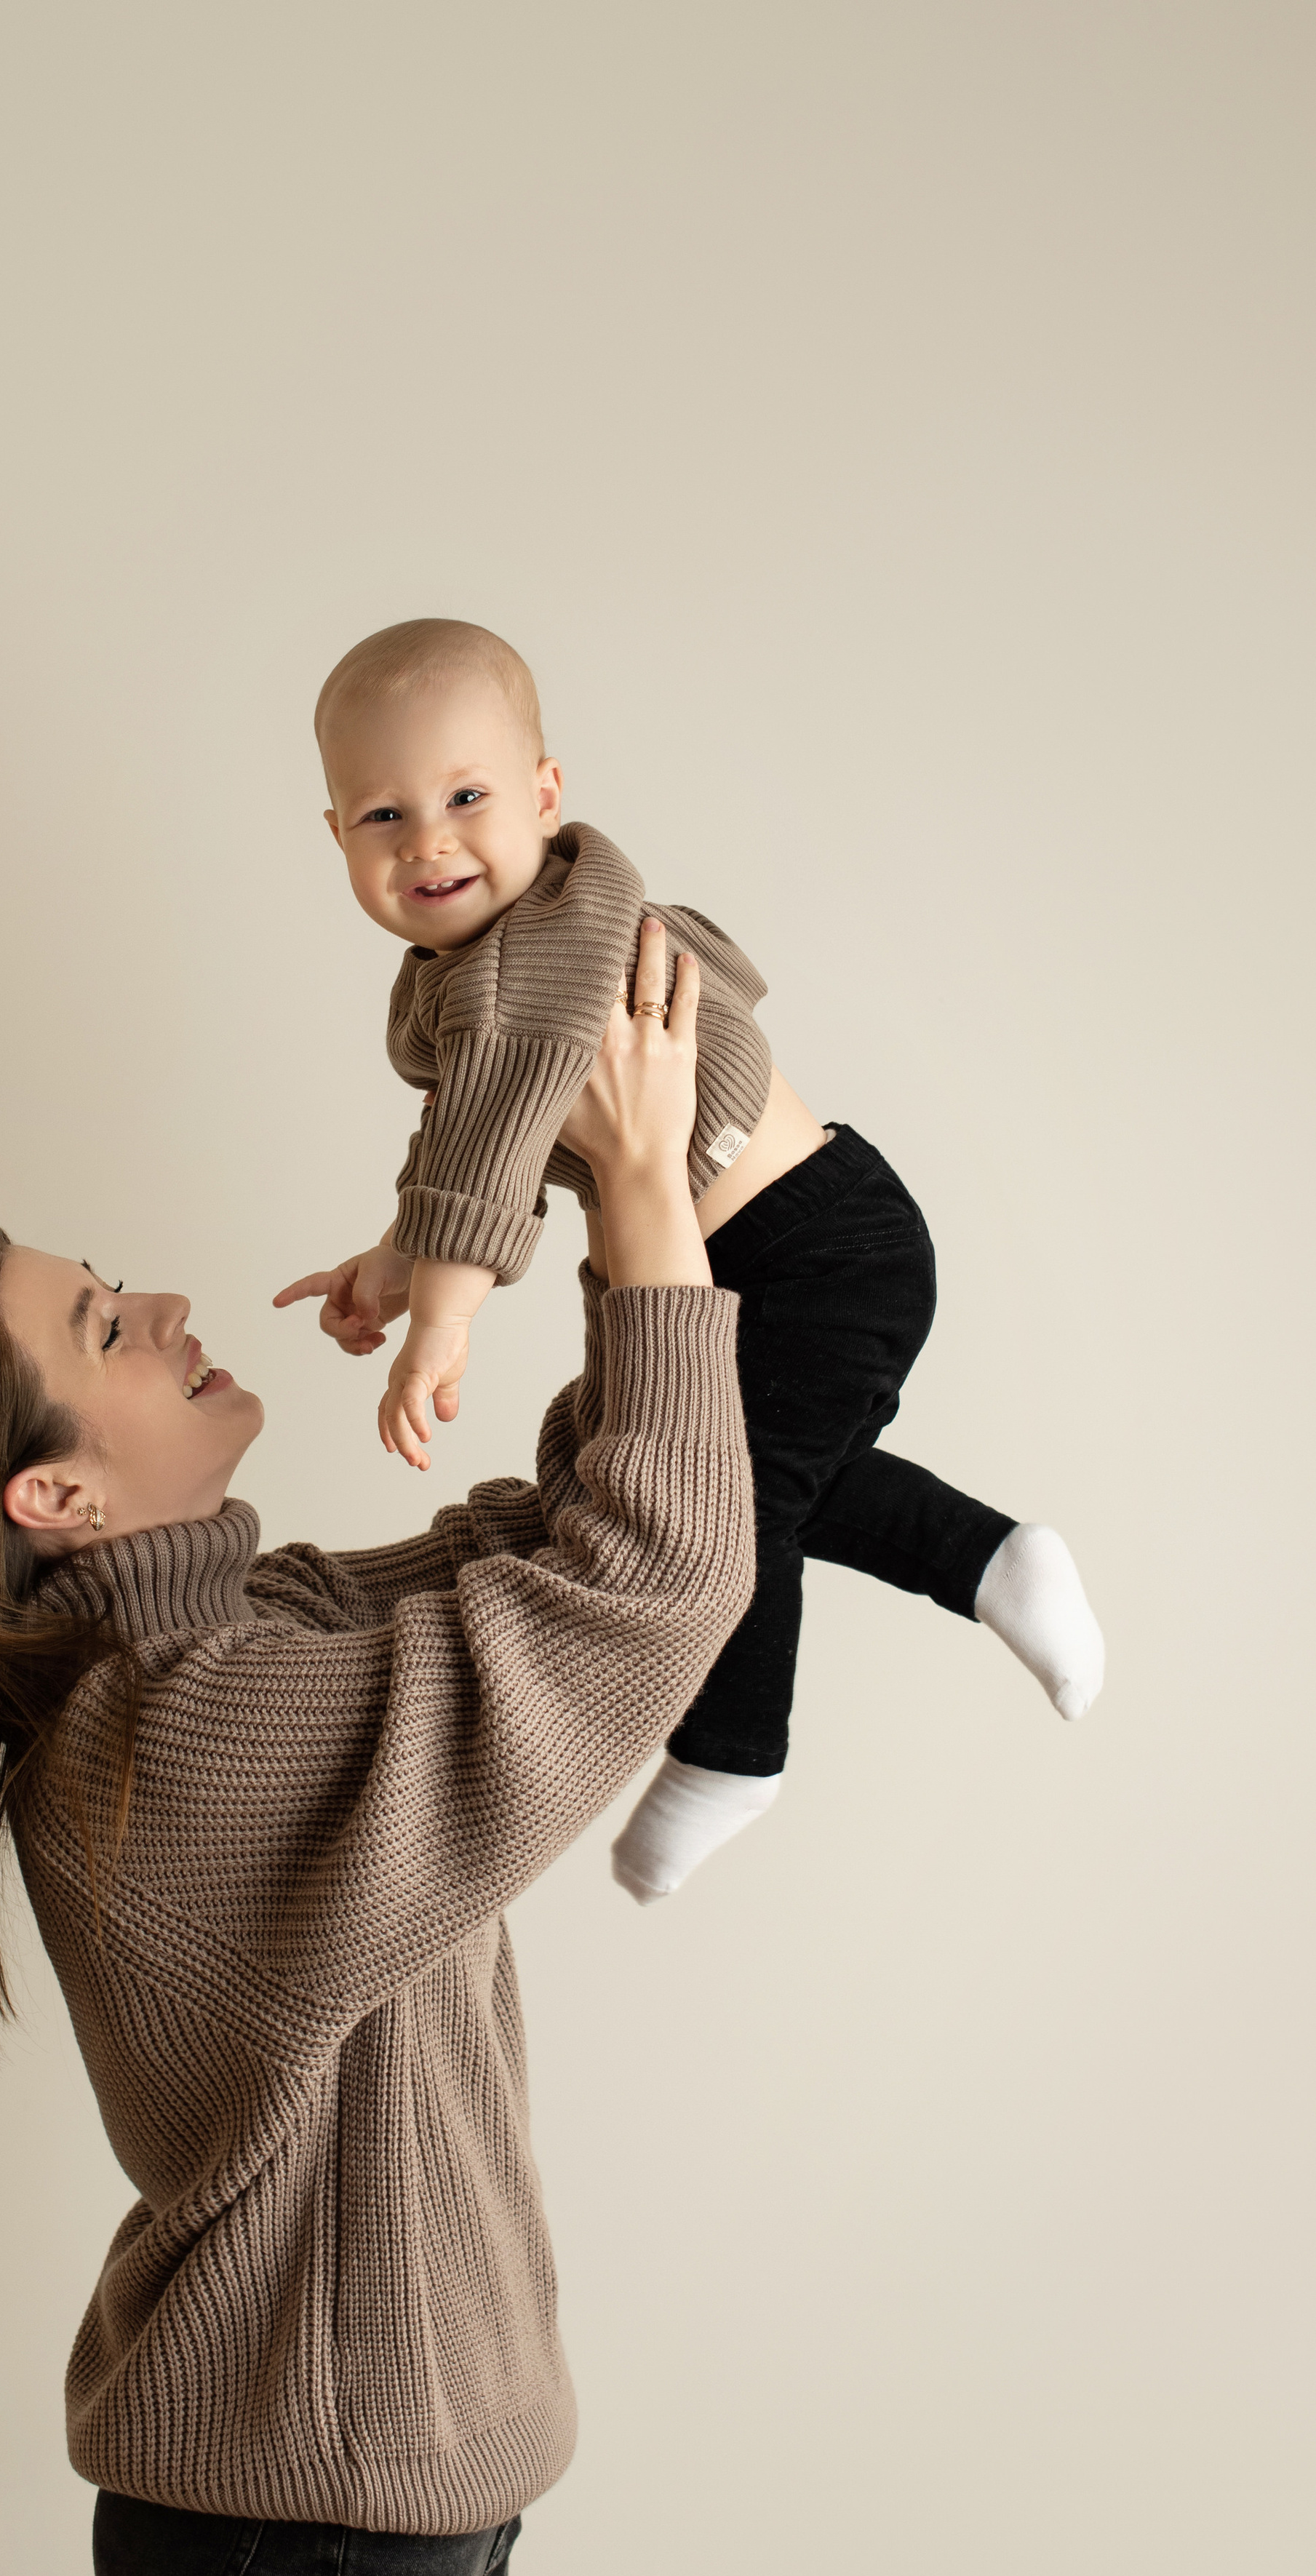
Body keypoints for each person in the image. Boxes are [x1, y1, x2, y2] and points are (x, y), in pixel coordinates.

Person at [0, 925, 752, 2576]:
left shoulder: (243, 1644)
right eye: (102, 1329)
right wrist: (632, 1201)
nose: (162, 1313)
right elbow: (645, 1587)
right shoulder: (185, 1742)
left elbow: (557, 1531)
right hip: (316, 2544)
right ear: (53, 1497)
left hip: (375, 2514)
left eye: (120, 1288)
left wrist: (631, 1189)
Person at [279, 617, 1105, 1900]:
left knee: (728, 1507)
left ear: (547, 797)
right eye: (382, 816)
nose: (428, 841)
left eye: (465, 797)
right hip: (749, 1256)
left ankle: (734, 1752)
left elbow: (495, 1140)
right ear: (334, 836)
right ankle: (992, 1559)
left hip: (815, 1249)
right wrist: (396, 1262)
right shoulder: (487, 960)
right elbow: (462, 1134)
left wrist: (441, 1324)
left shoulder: (533, 965)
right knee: (749, 1478)